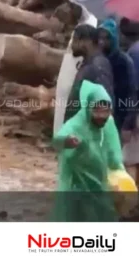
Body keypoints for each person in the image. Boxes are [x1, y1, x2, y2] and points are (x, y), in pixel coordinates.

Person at [52, 80, 125, 221]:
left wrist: (119, 172)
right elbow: (57, 140)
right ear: (89, 108)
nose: (102, 117)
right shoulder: (77, 124)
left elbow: (114, 152)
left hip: (99, 182)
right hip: (77, 184)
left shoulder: (108, 124)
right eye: (97, 111)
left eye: (106, 111)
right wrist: (67, 141)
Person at [64, 24, 114, 123]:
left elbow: (104, 105)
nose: (71, 45)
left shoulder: (97, 66)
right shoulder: (88, 63)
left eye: (74, 40)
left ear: (85, 41)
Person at [97, 18, 137, 133]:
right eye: (100, 38)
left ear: (113, 39)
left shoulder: (123, 61)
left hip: (119, 118)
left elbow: (131, 93)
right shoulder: (98, 59)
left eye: (106, 38)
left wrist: (127, 125)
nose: (102, 42)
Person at [120, 18, 139, 185]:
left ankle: (130, 206)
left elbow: (133, 90)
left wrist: (128, 123)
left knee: (131, 161)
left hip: (136, 113)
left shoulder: (133, 53)